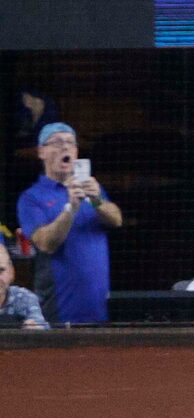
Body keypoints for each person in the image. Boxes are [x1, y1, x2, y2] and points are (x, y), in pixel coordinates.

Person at [17, 121, 121, 324]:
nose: (65, 147)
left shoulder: (91, 188)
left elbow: (116, 219)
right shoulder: (31, 198)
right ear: (41, 152)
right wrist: (70, 208)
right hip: (60, 306)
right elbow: (46, 243)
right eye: (56, 142)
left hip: (99, 305)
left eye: (70, 143)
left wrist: (97, 200)